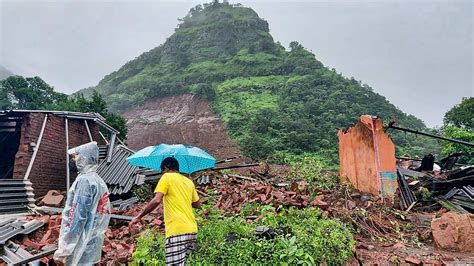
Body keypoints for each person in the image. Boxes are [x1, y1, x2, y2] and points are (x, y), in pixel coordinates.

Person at [130, 157, 201, 265]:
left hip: (177, 230)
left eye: (162, 171)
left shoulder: (166, 177)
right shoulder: (189, 182)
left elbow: (156, 200)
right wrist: (182, 197)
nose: (162, 173)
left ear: (166, 168)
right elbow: (197, 204)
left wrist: (139, 216)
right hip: (192, 230)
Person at [53, 141, 111, 265]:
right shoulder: (98, 181)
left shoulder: (84, 181)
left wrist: (64, 250)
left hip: (80, 245)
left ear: (83, 159)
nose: (72, 160)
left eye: (75, 157)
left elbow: (76, 217)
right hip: (92, 243)